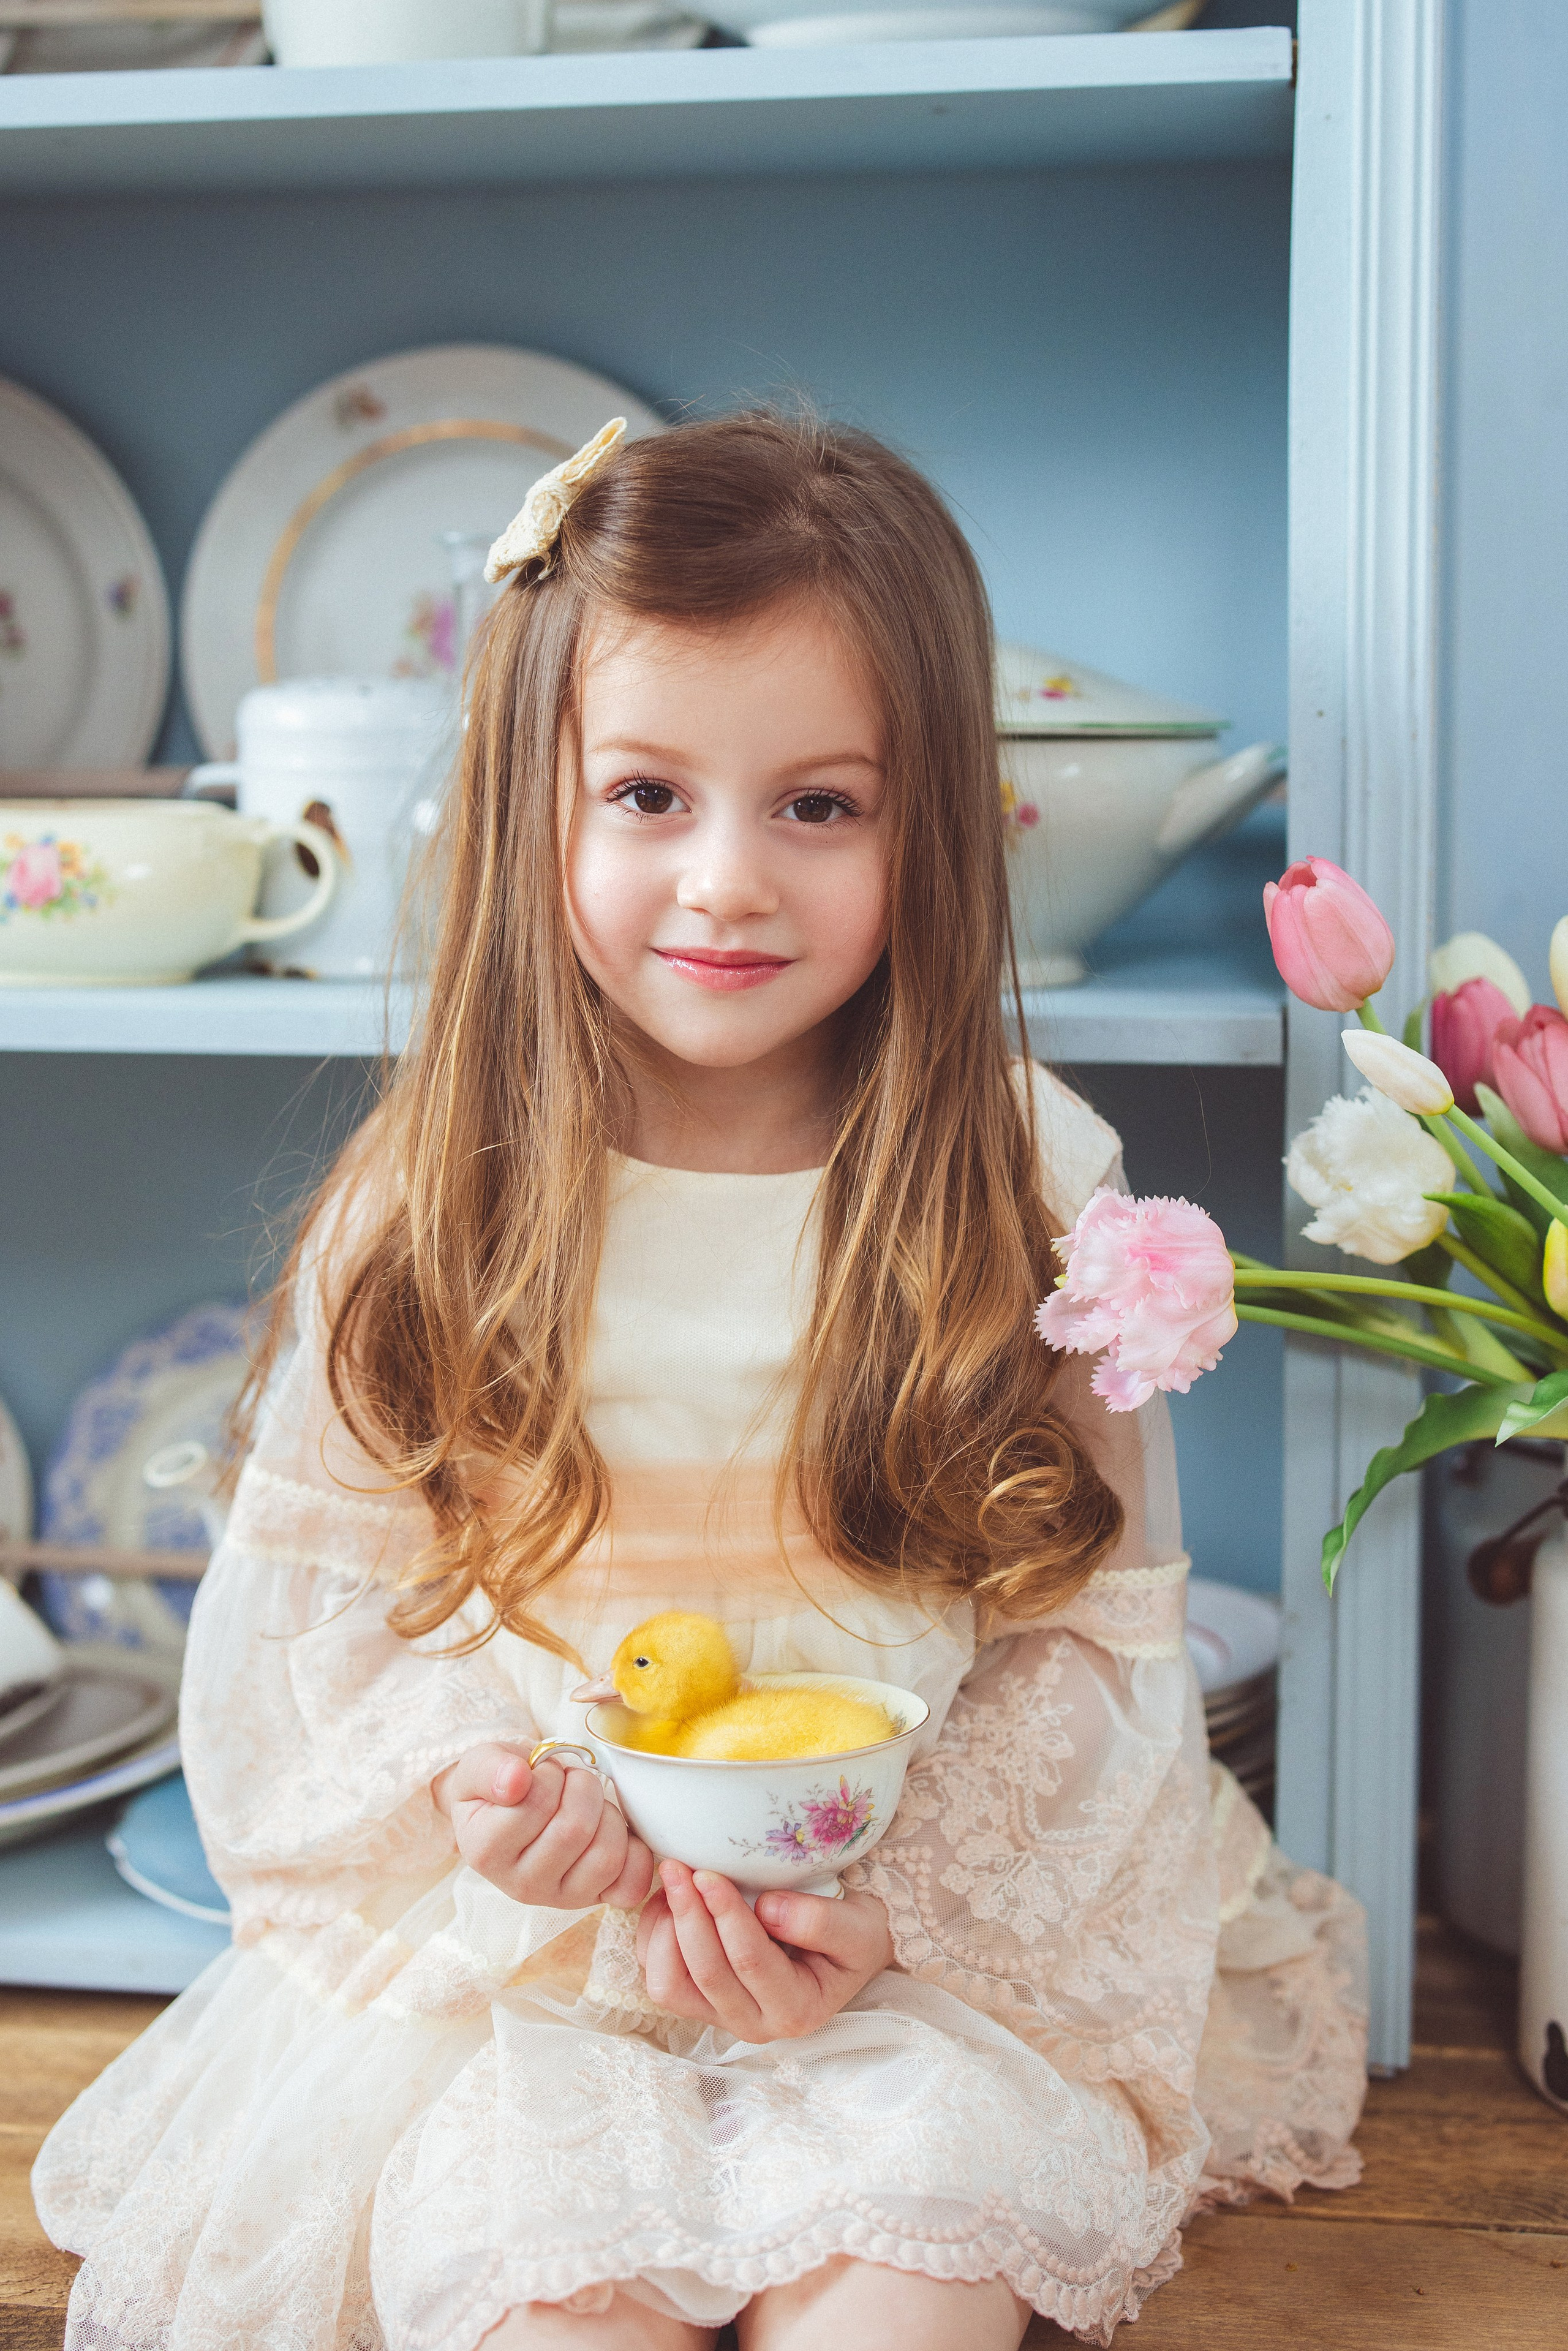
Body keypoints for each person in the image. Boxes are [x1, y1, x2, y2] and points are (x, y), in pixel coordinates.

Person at [34, 410, 1366, 2351]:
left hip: (909, 1964)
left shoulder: (1022, 1179)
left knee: (910, 2286)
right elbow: (323, 1632)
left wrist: (900, 1909)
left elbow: (1089, 1637)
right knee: (545, 2299)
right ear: (534, 803)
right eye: (650, 796)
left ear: (933, 824)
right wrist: (492, 1811)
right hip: (531, 1976)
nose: (728, 881)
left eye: (818, 807)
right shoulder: (435, 1201)